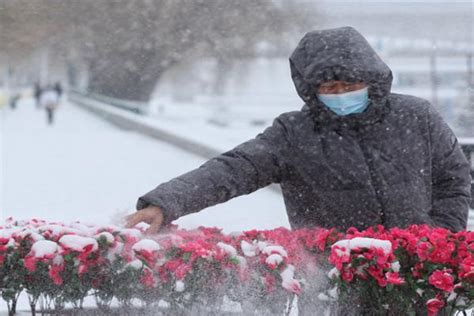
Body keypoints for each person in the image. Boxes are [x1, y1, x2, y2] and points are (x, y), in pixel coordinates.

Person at [126, 26, 471, 312]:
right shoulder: (294, 134)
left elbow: (453, 181)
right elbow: (234, 169)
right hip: (332, 283)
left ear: (371, 79)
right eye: (330, 88)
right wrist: (165, 202)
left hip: (417, 277)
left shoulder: (417, 117)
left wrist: (435, 240)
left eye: (350, 85)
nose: (342, 94)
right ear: (312, 90)